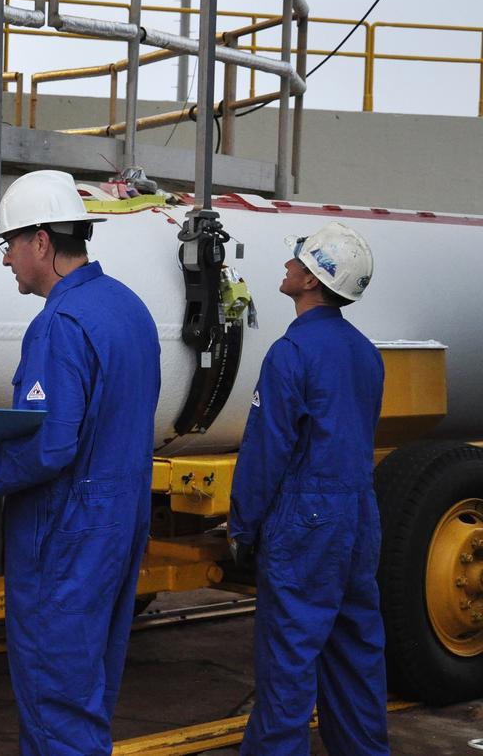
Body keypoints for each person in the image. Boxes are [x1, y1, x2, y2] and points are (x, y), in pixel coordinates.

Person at [0, 170, 161, 756]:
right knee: (87, 693)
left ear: (42, 244)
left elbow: (52, 446)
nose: (6, 261)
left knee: (56, 704)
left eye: (9, 245)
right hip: (119, 521)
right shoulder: (129, 308)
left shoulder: (58, 325)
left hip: (66, 535)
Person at [229, 223, 387, 756]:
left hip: (307, 524)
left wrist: (242, 527)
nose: (287, 267)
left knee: (288, 664)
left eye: (297, 261)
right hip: (359, 517)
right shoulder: (366, 353)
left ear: (313, 281)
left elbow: (266, 453)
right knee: (356, 656)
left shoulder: (290, 354)